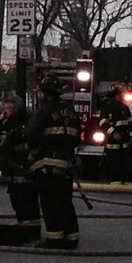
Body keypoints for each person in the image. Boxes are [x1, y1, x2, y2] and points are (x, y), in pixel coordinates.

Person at [27, 75, 82, 250]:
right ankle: (72, 238)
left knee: (50, 202)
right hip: (66, 163)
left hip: (48, 164)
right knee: (65, 201)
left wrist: (33, 153)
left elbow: (32, 135)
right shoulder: (71, 112)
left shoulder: (43, 111)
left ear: (46, 94)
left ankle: (55, 239)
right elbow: (76, 138)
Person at [0, 94, 41, 240]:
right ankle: (24, 229)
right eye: (5, 108)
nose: (6, 111)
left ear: (17, 109)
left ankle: (32, 232)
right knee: (16, 200)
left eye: (9, 108)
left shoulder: (27, 121)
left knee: (27, 201)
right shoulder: (6, 122)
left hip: (26, 166)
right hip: (12, 166)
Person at [99, 85, 132, 185]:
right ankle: (116, 182)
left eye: (118, 95)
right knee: (114, 162)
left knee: (127, 162)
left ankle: (129, 182)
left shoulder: (125, 108)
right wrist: (113, 133)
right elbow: (103, 123)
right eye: (115, 95)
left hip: (125, 141)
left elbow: (131, 124)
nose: (118, 97)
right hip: (112, 141)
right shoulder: (106, 108)